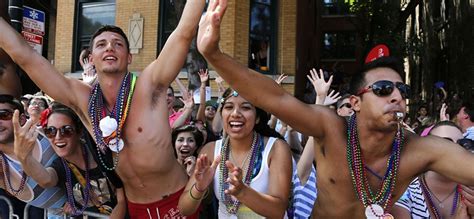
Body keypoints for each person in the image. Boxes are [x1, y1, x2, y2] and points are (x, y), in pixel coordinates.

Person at [196, 2, 474, 217]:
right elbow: (274, 98)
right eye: (382, 89)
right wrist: (214, 55)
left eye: (402, 91)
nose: (396, 97)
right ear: (355, 103)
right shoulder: (331, 128)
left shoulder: (420, 149)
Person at [0, 0, 205, 217]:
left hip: (178, 201)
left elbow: (184, 32)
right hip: (136, 209)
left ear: (129, 57)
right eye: (101, 44)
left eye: (118, 44)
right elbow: (25, 56)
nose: (109, 47)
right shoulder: (83, 99)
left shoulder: (150, 86)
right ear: (92, 59)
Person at [178, 88, 292, 218]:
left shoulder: (276, 148)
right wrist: (199, 188)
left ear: (257, 118)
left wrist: (243, 192)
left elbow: (278, 211)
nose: (235, 113)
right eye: (229, 107)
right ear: (222, 115)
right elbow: (184, 209)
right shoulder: (210, 150)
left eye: (245, 108)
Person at [12, 102, 125, 217]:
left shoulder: (102, 154)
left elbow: (122, 201)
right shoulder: (62, 166)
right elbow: (46, 180)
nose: (58, 137)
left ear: (79, 131)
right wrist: (23, 156)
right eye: (51, 131)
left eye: (66, 130)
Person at [392, 121, 474, 218]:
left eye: (462, 144)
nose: (455, 151)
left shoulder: (470, 192)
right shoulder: (404, 192)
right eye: (446, 143)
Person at [0, 95, 65, 213]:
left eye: (4, 115)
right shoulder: (2, 167)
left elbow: (48, 180)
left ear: (21, 119)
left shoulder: (45, 134)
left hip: (96, 206)